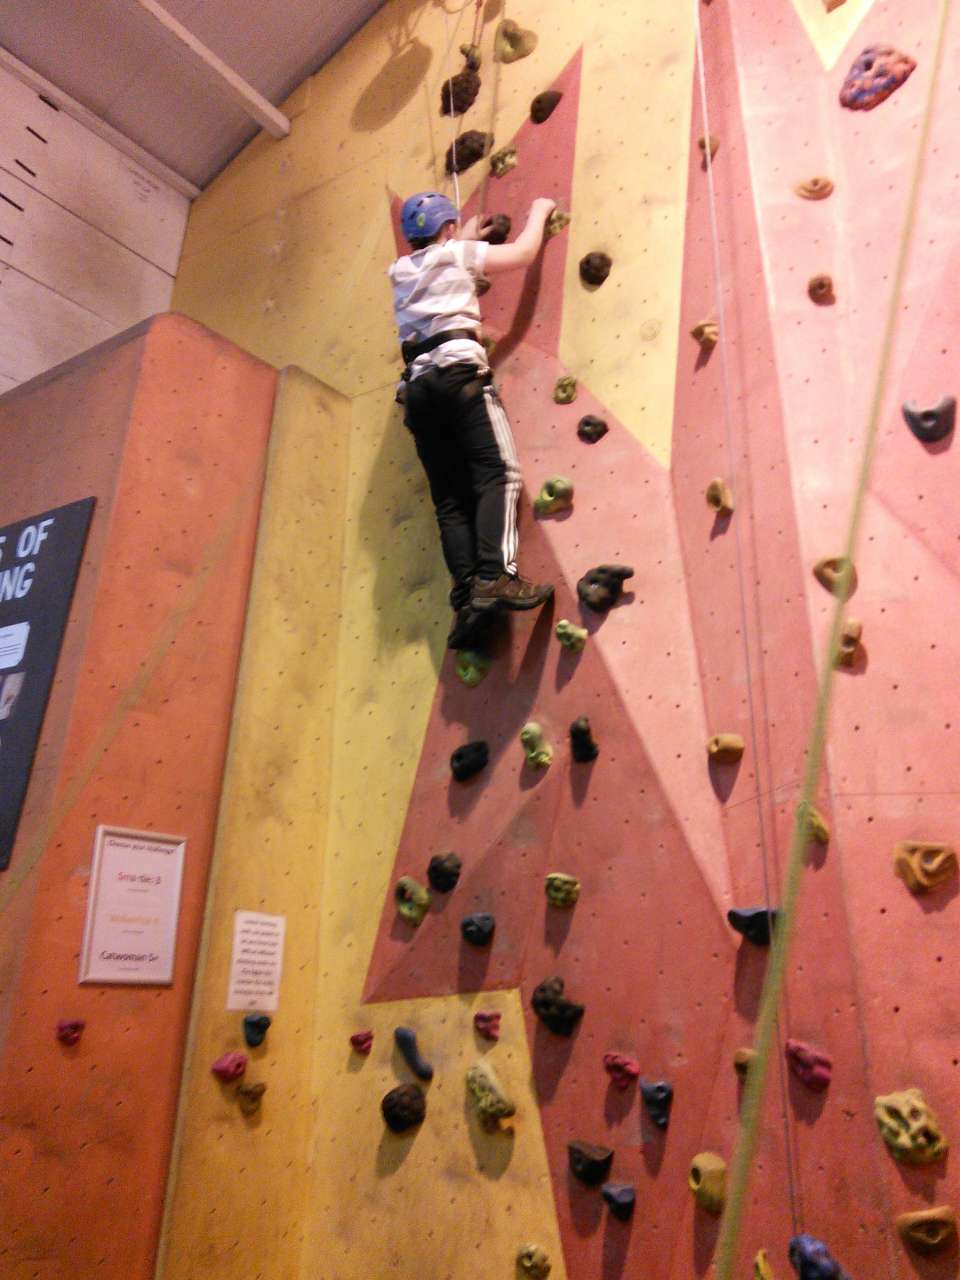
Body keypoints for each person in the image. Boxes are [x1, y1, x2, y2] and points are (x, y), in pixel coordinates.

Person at [390, 191, 556, 650]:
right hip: (459, 378)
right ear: (448, 229)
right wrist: (540, 210)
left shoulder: (400, 271)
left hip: (419, 393)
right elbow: (522, 253)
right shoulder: (456, 254)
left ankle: (467, 599)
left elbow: (442, 261)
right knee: (499, 475)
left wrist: (458, 237)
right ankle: (495, 578)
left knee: (450, 499)